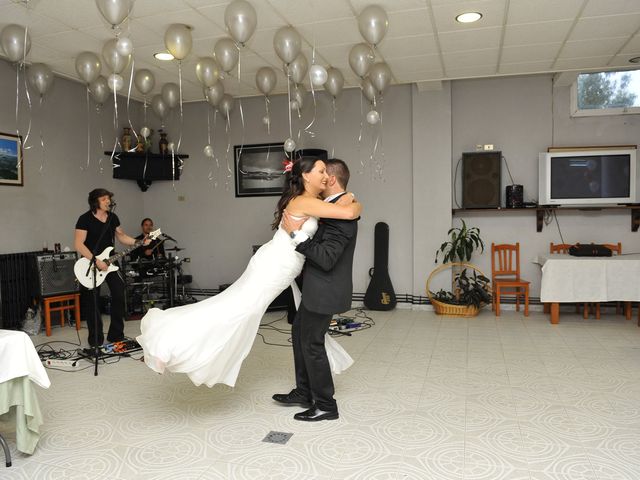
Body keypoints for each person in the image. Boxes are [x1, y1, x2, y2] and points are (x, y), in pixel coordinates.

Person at [136, 157, 362, 388]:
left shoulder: (311, 200)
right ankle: (170, 345)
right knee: (238, 311)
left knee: (236, 307)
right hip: (275, 265)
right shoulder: (304, 201)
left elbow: (338, 211)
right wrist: (354, 201)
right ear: (306, 175)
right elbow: (349, 213)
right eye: (321, 170)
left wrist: (348, 198)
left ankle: (172, 343)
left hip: (279, 264)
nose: (326, 176)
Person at [273, 158, 358, 421]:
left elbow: (327, 257)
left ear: (331, 180)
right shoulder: (333, 207)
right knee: (299, 333)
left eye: (323, 173)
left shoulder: (342, 215)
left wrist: (296, 235)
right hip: (315, 288)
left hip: (325, 290)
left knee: (311, 343)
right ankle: (303, 391)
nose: (321, 179)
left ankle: (325, 405)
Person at [74, 188, 149, 347]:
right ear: (95, 202)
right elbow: (79, 244)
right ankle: (95, 340)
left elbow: (121, 236)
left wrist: (139, 242)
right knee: (92, 301)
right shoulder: (84, 219)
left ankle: (116, 335)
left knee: (119, 292)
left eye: (108, 198)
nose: (108, 201)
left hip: (109, 262)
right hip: (90, 263)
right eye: (104, 199)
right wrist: (95, 261)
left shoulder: (113, 217)